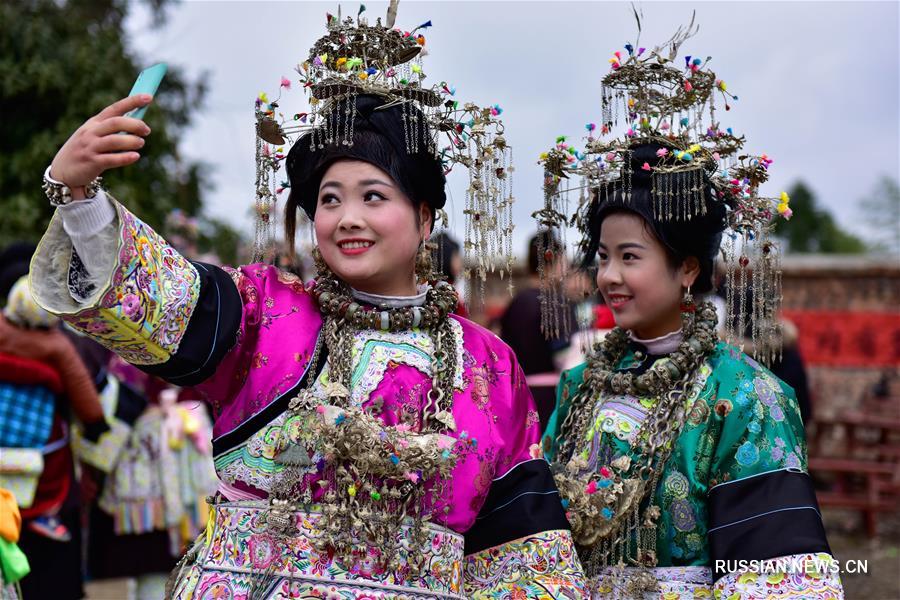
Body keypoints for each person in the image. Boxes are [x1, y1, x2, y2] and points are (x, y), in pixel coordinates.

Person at [29, 7, 585, 598]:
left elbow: (519, 553)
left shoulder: (487, 364)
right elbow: (157, 297)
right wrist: (79, 196)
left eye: (374, 196)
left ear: (425, 217)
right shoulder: (264, 313)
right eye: (329, 199)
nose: (348, 219)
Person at [538, 25, 843, 598]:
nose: (608, 277)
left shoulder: (749, 397)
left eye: (631, 257)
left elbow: (777, 576)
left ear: (688, 269)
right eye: (602, 257)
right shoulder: (579, 387)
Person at [0, 276, 108, 599]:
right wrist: (95, 425)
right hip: (41, 449)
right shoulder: (58, 346)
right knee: (41, 495)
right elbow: (84, 394)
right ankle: (42, 519)